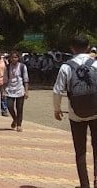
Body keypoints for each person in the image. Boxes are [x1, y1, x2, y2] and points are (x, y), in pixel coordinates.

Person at [53, 35, 97, 188]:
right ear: (88, 46)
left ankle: (84, 185)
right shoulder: (96, 64)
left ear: (72, 47)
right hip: (96, 112)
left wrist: (57, 109)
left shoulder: (66, 66)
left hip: (75, 113)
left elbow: (57, 90)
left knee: (80, 151)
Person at [4, 50, 29, 132]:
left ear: (18, 58)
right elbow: (5, 80)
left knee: (19, 108)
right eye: (12, 57)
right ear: (10, 58)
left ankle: (19, 125)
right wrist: (3, 90)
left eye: (16, 57)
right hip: (10, 89)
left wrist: (26, 91)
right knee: (9, 106)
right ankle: (15, 119)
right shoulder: (7, 67)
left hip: (20, 89)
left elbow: (26, 79)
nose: (14, 59)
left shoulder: (22, 67)